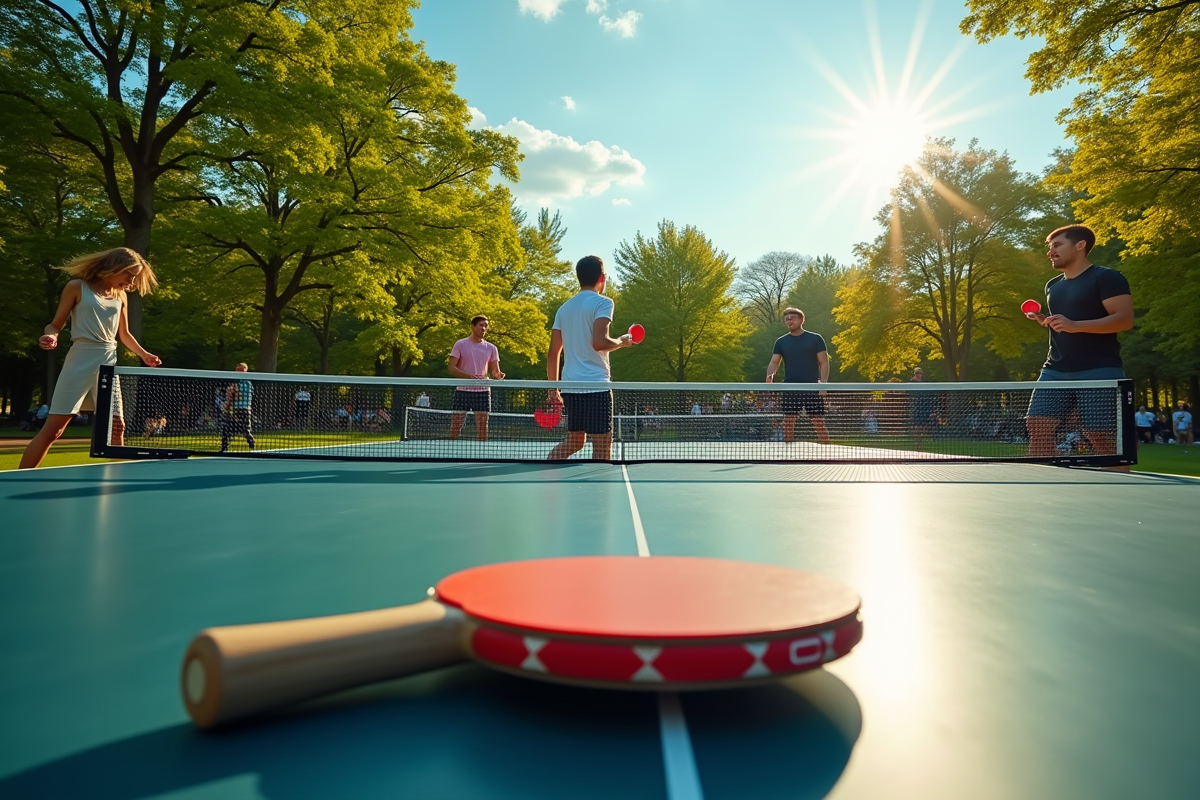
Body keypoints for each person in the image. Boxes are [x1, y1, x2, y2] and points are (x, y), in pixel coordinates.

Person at [20, 247, 160, 469]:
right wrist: (50, 336)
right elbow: (55, 325)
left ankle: (117, 483)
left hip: (108, 363)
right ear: (115, 268)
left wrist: (144, 354)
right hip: (79, 360)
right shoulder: (77, 287)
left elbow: (124, 334)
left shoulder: (120, 296)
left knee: (117, 426)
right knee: (54, 430)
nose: (131, 282)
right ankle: (21, 478)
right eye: (129, 275)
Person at [1024, 225, 1133, 465]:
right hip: (1054, 369)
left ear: (1080, 245)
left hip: (1100, 368)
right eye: (1050, 247)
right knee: (1037, 427)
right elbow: (1067, 324)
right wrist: (1046, 321)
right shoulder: (1053, 286)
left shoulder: (1106, 277)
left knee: (1101, 436)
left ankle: (1120, 494)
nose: (1050, 252)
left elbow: (1124, 319)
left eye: (1057, 245)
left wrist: (1075, 325)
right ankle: (1042, 491)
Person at [546, 255, 636, 460]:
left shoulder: (564, 308)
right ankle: (600, 491)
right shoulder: (604, 303)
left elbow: (553, 352)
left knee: (575, 441)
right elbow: (599, 342)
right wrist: (622, 341)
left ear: (579, 278)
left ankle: (548, 470)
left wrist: (553, 388)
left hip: (570, 387)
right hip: (596, 387)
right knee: (602, 448)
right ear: (602, 278)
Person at [765, 307, 830, 445]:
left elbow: (824, 362)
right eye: (787, 318)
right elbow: (774, 362)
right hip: (790, 387)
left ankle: (827, 452)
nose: (789, 320)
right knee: (788, 423)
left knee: (818, 422)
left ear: (801, 320)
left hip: (812, 386)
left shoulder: (816, 338)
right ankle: (788, 455)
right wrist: (769, 376)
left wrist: (823, 385)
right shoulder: (781, 342)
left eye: (792, 318)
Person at [447, 315, 505, 440]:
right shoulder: (460, 344)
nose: (484, 328)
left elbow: (495, 371)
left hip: (482, 392)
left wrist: (498, 375)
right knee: (456, 425)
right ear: (473, 327)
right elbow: (451, 368)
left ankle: (481, 455)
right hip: (463, 391)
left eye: (486, 326)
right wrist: (470, 377)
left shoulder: (492, 348)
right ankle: (450, 454)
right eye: (481, 325)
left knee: (483, 426)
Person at [220, 363, 255, 452]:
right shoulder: (234, 383)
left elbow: (240, 396)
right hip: (233, 409)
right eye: (237, 370)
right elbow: (230, 396)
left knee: (245, 429)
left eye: (241, 370)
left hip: (243, 409)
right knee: (226, 429)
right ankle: (224, 448)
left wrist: (233, 392)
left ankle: (251, 442)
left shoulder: (247, 383)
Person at [909, 367, 937, 449]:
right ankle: (917, 443)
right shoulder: (911, 383)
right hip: (916, 407)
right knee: (917, 426)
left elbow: (929, 395)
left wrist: (932, 408)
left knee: (923, 426)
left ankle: (920, 441)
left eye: (919, 373)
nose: (918, 375)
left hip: (925, 407)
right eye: (917, 373)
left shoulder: (925, 383)